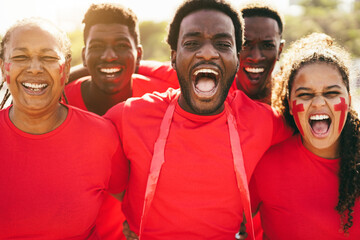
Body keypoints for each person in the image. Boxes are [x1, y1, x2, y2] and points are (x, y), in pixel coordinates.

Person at [105, 0, 292, 239]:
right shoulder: (128, 116)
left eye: (222, 44)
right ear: (174, 58)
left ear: (237, 59)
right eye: (192, 43)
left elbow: (309, 137)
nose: (207, 52)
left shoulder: (263, 120)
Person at [0, 17, 127, 239]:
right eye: (21, 57)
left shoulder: (101, 136)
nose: (35, 69)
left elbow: (134, 202)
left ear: (66, 69)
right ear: (4, 67)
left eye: (49, 58)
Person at [64, 3, 180, 240]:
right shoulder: (60, 104)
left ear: (138, 53)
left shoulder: (164, 98)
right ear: (85, 54)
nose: (109, 55)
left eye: (121, 45)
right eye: (97, 47)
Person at [250, 33, 360, 239]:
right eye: (305, 95)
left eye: (331, 93)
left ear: (349, 99)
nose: (318, 103)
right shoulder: (265, 164)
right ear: (291, 105)